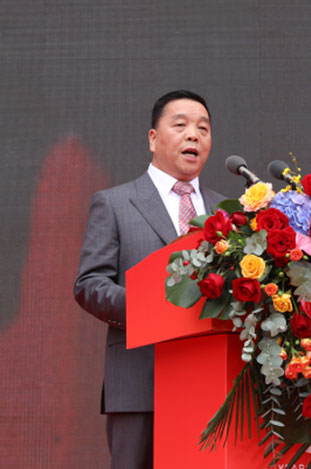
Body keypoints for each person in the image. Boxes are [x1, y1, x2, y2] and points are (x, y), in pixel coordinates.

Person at [74, 90, 226, 468]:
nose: (193, 135)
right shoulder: (115, 203)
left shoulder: (227, 212)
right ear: (153, 139)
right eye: (181, 125)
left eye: (203, 128)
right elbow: (90, 285)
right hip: (139, 384)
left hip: (214, 386)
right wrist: (154, 309)